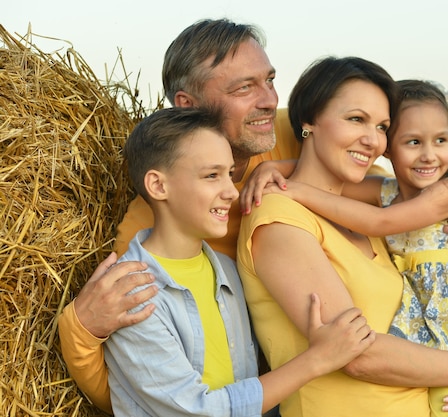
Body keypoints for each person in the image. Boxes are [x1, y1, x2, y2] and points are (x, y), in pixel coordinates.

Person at [57, 18, 448, 415]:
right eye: (244, 88)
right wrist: (81, 329)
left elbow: (393, 189)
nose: (269, 101)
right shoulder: (151, 224)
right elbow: (141, 387)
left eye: (270, 80)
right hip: (268, 394)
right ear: (188, 104)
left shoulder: (291, 143)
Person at [236, 56, 448, 417]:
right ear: (309, 121)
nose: (373, 141)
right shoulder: (279, 218)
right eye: (356, 119)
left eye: (382, 127)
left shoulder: (378, 215)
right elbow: (357, 353)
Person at [103, 105, 375, 416]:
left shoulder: (228, 271)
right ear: (158, 186)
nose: (231, 192)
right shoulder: (132, 296)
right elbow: (198, 410)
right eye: (211, 176)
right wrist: (317, 359)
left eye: (230, 174)